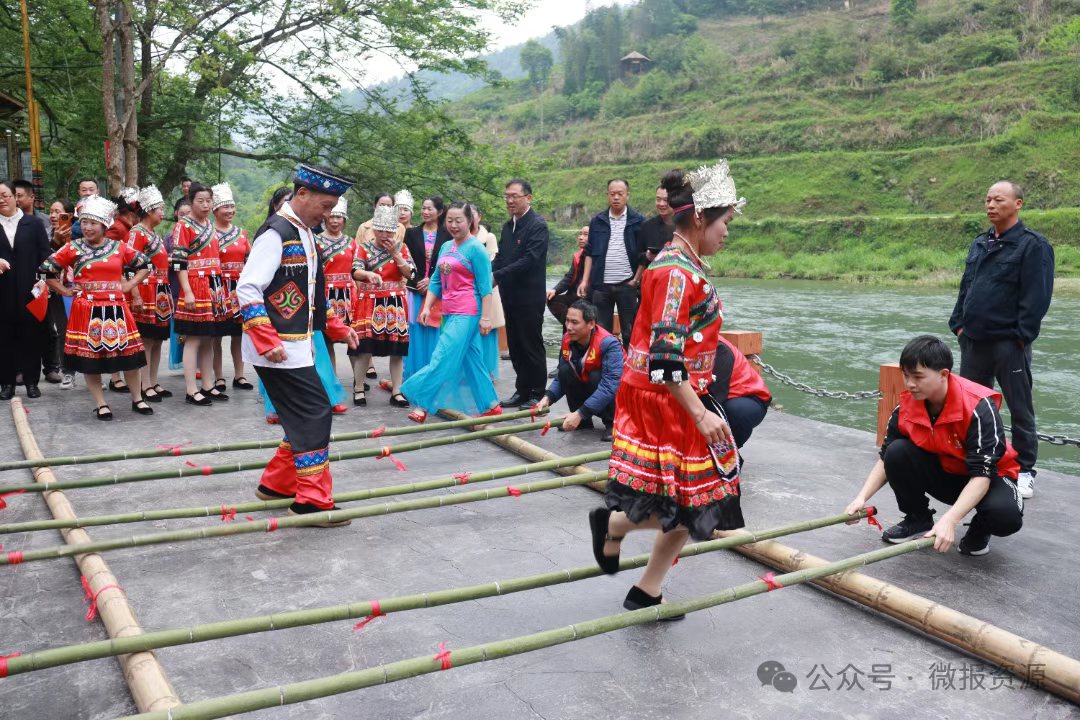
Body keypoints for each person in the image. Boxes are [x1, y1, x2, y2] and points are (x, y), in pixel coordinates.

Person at [588, 163, 745, 617]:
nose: (726, 232)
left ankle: (646, 586)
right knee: (700, 502)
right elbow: (664, 358)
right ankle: (616, 528)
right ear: (698, 218)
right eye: (724, 222)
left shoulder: (682, 265)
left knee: (697, 499)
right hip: (666, 399)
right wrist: (699, 412)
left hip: (673, 395)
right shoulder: (675, 272)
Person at [235, 163, 359, 526]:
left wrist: (337, 327)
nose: (328, 215)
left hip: (296, 344)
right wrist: (265, 337)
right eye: (325, 206)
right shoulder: (276, 233)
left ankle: (277, 485)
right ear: (301, 194)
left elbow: (310, 292)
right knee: (314, 412)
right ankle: (312, 502)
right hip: (277, 347)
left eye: (333, 208)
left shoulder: (305, 233)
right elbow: (248, 287)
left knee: (304, 415)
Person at [844, 335, 1024, 556]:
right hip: (947, 472)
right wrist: (861, 498)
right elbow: (885, 458)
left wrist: (950, 520)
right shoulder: (906, 406)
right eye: (906, 375)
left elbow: (982, 474)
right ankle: (917, 518)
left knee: (1005, 517)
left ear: (943, 375)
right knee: (896, 451)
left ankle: (980, 527)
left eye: (918, 377)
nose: (910, 384)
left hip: (989, 477)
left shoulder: (978, 407)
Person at [948, 181, 1054, 500]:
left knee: (1020, 409)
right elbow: (967, 286)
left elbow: (1037, 296)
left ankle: (1024, 471)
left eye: (999, 200)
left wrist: (1021, 337)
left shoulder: (1033, 245)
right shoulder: (980, 243)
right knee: (972, 409)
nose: (991, 205)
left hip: (1009, 344)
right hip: (973, 341)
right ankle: (978, 465)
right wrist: (958, 325)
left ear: (1018, 204)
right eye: (988, 200)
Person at [39, 195, 154, 418]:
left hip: (116, 308)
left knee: (129, 357)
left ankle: (137, 399)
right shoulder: (73, 248)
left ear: (104, 226)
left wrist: (129, 284)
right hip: (87, 310)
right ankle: (101, 403)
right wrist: (64, 291)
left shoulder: (119, 247)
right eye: (84, 222)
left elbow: (146, 265)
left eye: (93, 223)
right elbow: (44, 271)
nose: (88, 227)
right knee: (91, 359)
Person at [400, 202, 499, 423]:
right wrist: (427, 307)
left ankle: (423, 404)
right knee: (473, 360)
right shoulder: (446, 246)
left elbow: (485, 288)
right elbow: (436, 280)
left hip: (468, 311)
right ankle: (491, 405)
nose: (453, 225)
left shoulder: (477, 249)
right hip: (449, 310)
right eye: (450, 221)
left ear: (470, 221)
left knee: (442, 356)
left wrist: (485, 317)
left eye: (458, 221)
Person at [172, 181, 231, 405]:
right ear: (191, 201)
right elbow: (178, 262)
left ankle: (208, 385)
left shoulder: (210, 226)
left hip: (214, 285)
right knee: (193, 338)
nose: (206, 205)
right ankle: (191, 389)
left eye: (209, 201)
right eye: (201, 201)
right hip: (195, 284)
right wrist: (187, 291)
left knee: (208, 338)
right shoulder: (183, 226)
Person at [349, 204, 414, 408]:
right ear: (374, 229)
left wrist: (396, 254)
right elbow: (355, 270)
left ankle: (397, 391)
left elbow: (411, 273)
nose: (385, 235)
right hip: (370, 302)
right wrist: (368, 274)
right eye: (381, 230)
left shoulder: (402, 247)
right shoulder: (364, 248)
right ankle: (359, 388)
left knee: (397, 350)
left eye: (389, 231)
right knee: (365, 348)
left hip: (394, 303)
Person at [534, 300, 622, 442]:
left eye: (574, 322)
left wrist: (580, 413)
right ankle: (582, 422)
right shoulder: (567, 339)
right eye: (567, 321)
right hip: (594, 392)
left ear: (591, 324)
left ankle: (613, 424)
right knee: (565, 371)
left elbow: (610, 386)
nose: (568, 327)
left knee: (596, 376)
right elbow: (561, 378)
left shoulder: (609, 344)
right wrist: (548, 398)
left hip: (618, 397)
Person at [494, 179, 548, 408]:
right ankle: (522, 390)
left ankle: (537, 392)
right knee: (515, 345)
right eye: (507, 196)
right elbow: (501, 257)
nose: (509, 200)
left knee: (531, 345)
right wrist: (488, 273)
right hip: (510, 295)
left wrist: (498, 275)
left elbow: (530, 260)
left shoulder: (537, 225)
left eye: (514, 196)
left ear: (528, 197)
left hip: (529, 296)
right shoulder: (508, 226)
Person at [578, 179, 645, 349]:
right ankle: (606, 363)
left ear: (627, 195)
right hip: (601, 285)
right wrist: (585, 281)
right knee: (601, 332)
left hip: (627, 284)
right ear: (607, 195)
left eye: (620, 194)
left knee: (630, 330)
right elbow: (589, 253)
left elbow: (644, 255)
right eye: (612, 194)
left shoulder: (638, 221)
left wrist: (636, 280)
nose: (616, 197)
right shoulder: (597, 221)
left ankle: (630, 364)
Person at [0, 181, 52, 400]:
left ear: (15, 196)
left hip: (30, 288)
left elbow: (45, 256)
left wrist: (43, 280)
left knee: (31, 335)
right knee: (4, 336)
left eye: (5, 195)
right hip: (2, 290)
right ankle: (7, 383)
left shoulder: (33, 223)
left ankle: (32, 382)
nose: (1, 200)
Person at [127, 185, 173, 402]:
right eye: (160, 209)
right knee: (146, 339)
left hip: (161, 290)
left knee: (157, 340)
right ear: (149, 210)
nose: (163, 213)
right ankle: (144, 383)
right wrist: (135, 294)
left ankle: (153, 381)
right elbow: (129, 265)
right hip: (145, 290)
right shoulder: (136, 233)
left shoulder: (154, 234)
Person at [402, 195, 452, 380]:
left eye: (430, 208)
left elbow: (449, 262)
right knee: (415, 330)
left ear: (440, 212)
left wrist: (432, 280)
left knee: (436, 331)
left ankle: (434, 374)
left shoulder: (448, 235)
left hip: (438, 291)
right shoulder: (411, 233)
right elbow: (406, 260)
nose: (425, 211)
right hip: (415, 290)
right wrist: (418, 281)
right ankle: (414, 374)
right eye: (423, 208)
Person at [210, 182, 252, 392]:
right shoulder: (208, 233)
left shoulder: (241, 233)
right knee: (216, 336)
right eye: (225, 207)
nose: (230, 211)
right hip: (217, 288)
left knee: (238, 334)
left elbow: (249, 260)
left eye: (232, 206)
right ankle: (218, 377)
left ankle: (240, 375)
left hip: (238, 289)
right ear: (215, 210)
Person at [104, 187, 141, 393]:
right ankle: (115, 376)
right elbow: (110, 258)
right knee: (117, 330)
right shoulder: (118, 229)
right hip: (118, 285)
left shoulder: (128, 228)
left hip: (126, 283)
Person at [708, 336, 771, 448]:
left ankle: (726, 450)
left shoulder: (720, 349)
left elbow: (715, 398)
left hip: (746, 397)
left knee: (735, 411)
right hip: (713, 395)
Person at [317, 196, 354, 378]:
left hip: (347, 296)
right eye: (331, 216)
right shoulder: (316, 241)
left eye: (338, 217)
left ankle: (358, 381)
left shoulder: (351, 242)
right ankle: (331, 379)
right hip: (325, 295)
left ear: (344, 219)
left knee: (352, 338)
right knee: (326, 341)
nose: (334, 221)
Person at [469, 202, 502, 379]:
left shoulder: (488, 237)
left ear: (479, 217)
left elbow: (492, 262)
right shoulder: (458, 238)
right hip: (465, 291)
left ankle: (488, 371)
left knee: (486, 331)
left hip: (485, 288)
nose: (470, 217)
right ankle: (470, 372)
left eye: (473, 214)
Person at [46, 199, 76, 388]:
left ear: (69, 216)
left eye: (58, 212)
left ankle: (92, 372)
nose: (53, 215)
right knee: (63, 330)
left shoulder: (80, 234)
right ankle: (67, 372)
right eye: (51, 211)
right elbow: (44, 264)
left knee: (83, 330)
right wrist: (55, 242)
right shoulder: (46, 235)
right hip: (57, 290)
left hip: (80, 288)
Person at [631, 174, 678, 282]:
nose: (661, 204)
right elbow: (638, 256)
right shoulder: (647, 225)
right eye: (658, 199)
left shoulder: (684, 225)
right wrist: (647, 256)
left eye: (666, 200)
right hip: (653, 280)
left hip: (677, 279)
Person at [164, 197, 192, 372]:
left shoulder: (200, 233)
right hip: (176, 284)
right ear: (176, 214)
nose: (185, 217)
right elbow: (162, 260)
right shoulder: (170, 236)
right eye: (182, 214)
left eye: (188, 214)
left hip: (196, 283)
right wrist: (179, 263)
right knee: (181, 324)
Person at [547, 225, 589, 327]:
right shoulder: (578, 256)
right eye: (580, 234)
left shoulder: (599, 256)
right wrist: (555, 290)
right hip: (574, 295)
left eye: (585, 235)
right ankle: (571, 324)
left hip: (590, 296)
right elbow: (569, 278)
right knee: (551, 298)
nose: (580, 237)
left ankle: (574, 325)